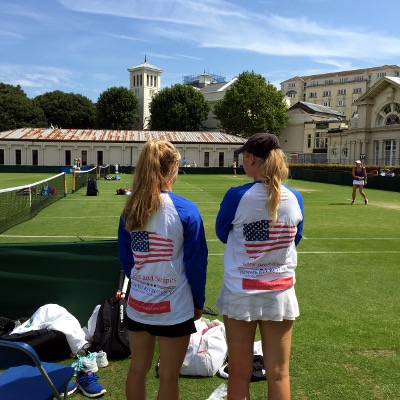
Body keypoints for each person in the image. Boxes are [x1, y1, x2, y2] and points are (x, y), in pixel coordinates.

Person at [215, 132, 304, 400]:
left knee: (239, 373)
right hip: (279, 293)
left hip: (241, 293)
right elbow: (294, 239)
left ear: (251, 159)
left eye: (244, 155)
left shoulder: (237, 196)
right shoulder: (295, 197)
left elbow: (222, 233)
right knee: (279, 374)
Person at [118, 140, 208, 400]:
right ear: (173, 168)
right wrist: (198, 302)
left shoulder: (130, 209)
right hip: (175, 308)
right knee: (169, 377)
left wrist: (144, 281)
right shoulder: (185, 209)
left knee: (137, 370)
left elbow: (127, 260)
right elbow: (196, 264)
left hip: (139, 305)